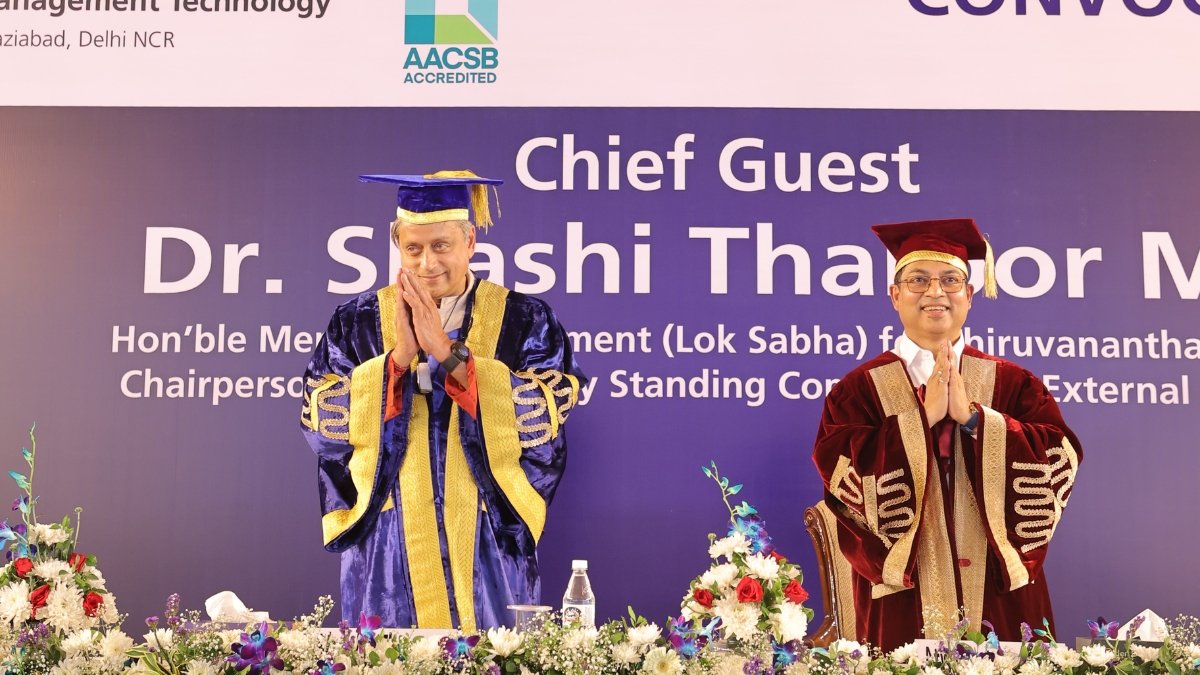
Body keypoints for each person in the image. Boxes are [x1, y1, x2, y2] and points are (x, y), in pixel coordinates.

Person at [300, 170, 585, 631]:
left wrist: (446, 353)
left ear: (469, 242)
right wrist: (397, 361)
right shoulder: (356, 321)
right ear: (397, 245)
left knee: (495, 655)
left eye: (441, 246)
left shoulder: (526, 319)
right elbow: (322, 420)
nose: (427, 262)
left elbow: (545, 413)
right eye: (413, 248)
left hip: (486, 535)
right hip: (391, 540)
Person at [812, 218, 1081, 651]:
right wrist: (920, 420)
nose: (935, 291)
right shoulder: (857, 391)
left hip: (1000, 591)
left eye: (950, 280)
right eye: (918, 280)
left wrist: (975, 420)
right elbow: (841, 475)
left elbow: (1058, 455)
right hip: (904, 593)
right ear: (895, 296)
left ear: (969, 295)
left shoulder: (1015, 383)